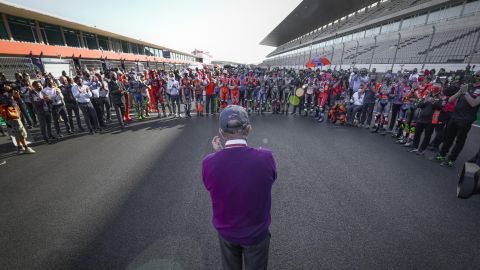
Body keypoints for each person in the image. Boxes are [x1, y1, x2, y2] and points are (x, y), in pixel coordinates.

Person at [202, 105, 277, 270]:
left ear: (221, 133)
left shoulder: (209, 162)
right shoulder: (265, 157)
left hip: (227, 232)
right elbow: (270, 178)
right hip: (257, 232)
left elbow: (211, 184)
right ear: (248, 129)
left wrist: (219, 153)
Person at [435, 79, 480, 167]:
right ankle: (442, 155)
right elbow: (450, 100)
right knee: (448, 137)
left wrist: (466, 93)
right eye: (475, 75)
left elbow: (473, 103)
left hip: (466, 120)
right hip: (455, 116)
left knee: (460, 141)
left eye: (478, 75)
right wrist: (460, 92)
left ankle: (451, 159)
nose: (476, 77)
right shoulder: (468, 86)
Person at [0, 86, 35, 154]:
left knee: (16, 132)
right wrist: (13, 96)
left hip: (11, 117)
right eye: (10, 90)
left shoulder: (5, 97)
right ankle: (26, 148)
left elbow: (18, 103)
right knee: (21, 132)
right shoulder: (5, 97)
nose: (13, 91)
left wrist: (16, 96)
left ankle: (19, 148)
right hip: (13, 117)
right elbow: (11, 104)